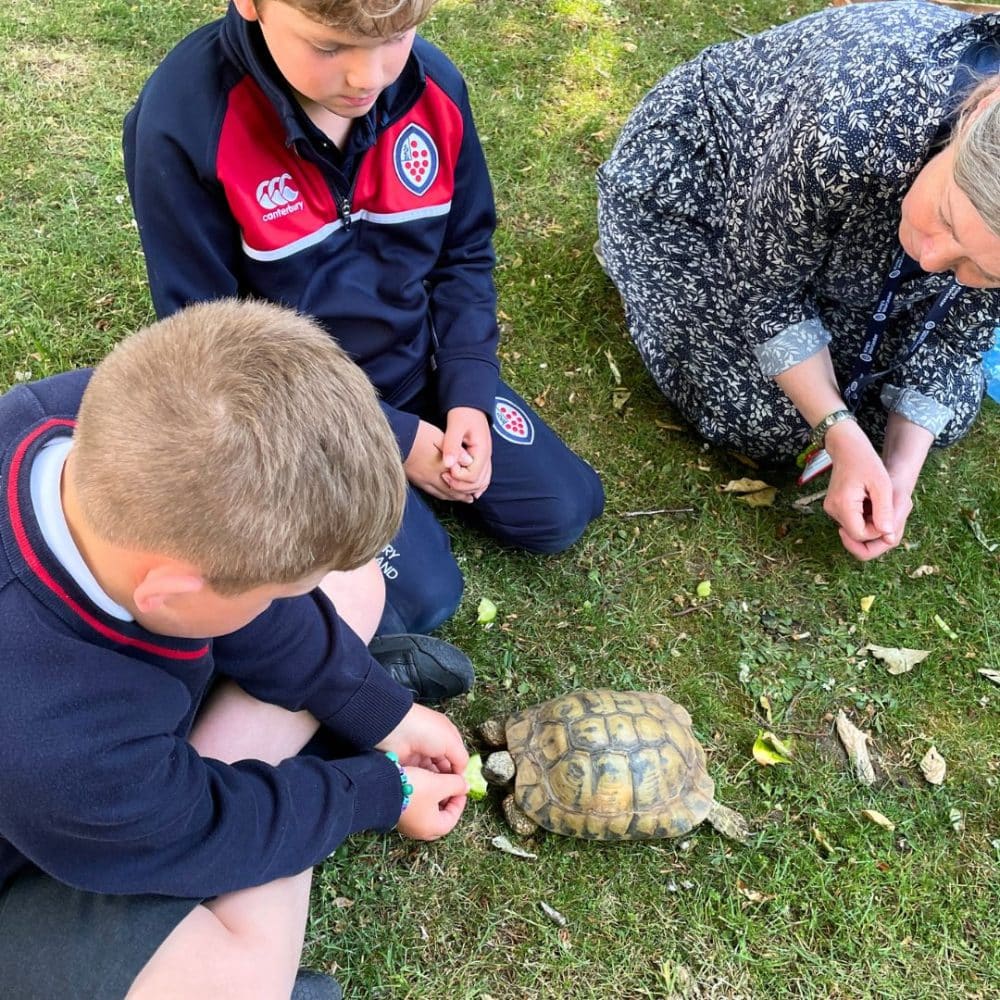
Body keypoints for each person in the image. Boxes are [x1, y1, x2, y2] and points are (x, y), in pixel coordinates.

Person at [0, 299, 472, 999]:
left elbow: (260, 607)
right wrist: (377, 791)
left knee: (351, 583)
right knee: (238, 982)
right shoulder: (55, 742)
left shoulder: (82, 416)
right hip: (48, 840)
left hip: (101, 786)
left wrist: (380, 711)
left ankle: (271, 740)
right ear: (169, 591)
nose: (288, 602)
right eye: (276, 594)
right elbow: (210, 829)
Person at [123, 0, 605, 635]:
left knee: (565, 508)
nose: (367, 77)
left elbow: (464, 254)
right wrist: (392, 439)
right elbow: (210, 337)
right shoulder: (184, 122)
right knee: (423, 599)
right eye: (329, 48)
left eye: (397, 37)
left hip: (415, 366)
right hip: (299, 410)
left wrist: (467, 393)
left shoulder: (434, 89)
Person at [597, 0, 1000, 561]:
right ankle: (638, 260)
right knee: (763, 420)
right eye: (949, 220)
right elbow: (766, 293)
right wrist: (838, 429)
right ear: (972, 116)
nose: (932, 262)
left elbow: (957, 337)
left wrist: (897, 475)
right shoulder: (846, 124)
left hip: (841, 210)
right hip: (706, 186)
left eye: (984, 270)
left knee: (934, 414)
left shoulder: (945, 216)